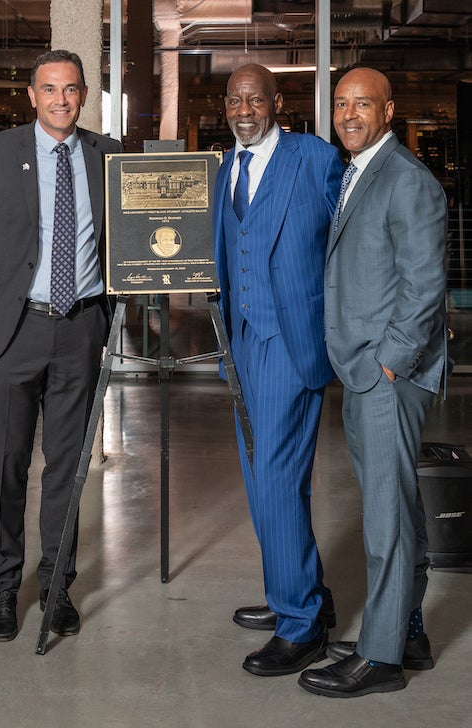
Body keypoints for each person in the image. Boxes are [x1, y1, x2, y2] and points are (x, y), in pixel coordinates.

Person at [0, 49, 122, 641]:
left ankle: (55, 586)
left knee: (68, 468)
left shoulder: (108, 156)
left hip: (81, 329)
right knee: (9, 463)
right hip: (13, 331)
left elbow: (134, 237)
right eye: (50, 89)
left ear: (84, 94)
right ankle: (3, 586)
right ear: (32, 95)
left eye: (71, 89)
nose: (61, 100)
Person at [298, 67, 448, 698]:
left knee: (385, 514)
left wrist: (390, 360)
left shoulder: (407, 180)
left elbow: (424, 285)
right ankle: (407, 628)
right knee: (398, 502)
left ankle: (382, 657)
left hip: (387, 373)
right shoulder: (359, 170)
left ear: (389, 110)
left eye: (363, 103)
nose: (349, 114)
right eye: (340, 104)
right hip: (364, 366)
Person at [212, 63, 344, 676]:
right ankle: (298, 593)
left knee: (275, 481)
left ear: (277, 103)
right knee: (263, 480)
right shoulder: (223, 169)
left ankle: (300, 624)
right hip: (241, 344)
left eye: (255, 99)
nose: (245, 108)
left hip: (291, 345)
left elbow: (352, 238)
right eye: (235, 99)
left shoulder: (314, 158)